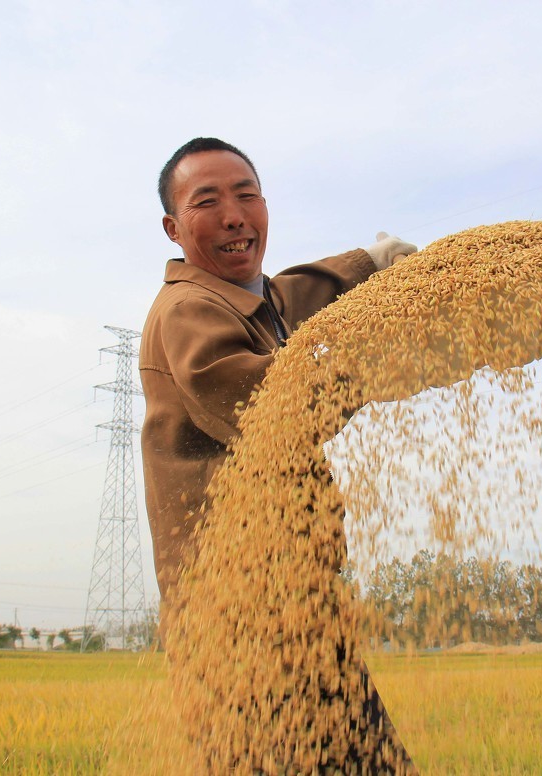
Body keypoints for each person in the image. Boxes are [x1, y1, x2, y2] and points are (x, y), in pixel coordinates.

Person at [138, 137, 417, 769]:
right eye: (207, 201)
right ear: (172, 227)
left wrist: (369, 265)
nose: (234, 214)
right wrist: (383, 359)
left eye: (246, 195)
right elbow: (268, 405)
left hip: (296, 603)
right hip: (237, 618)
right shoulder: (187, 311)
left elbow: (289, 294)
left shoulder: (248, 300)